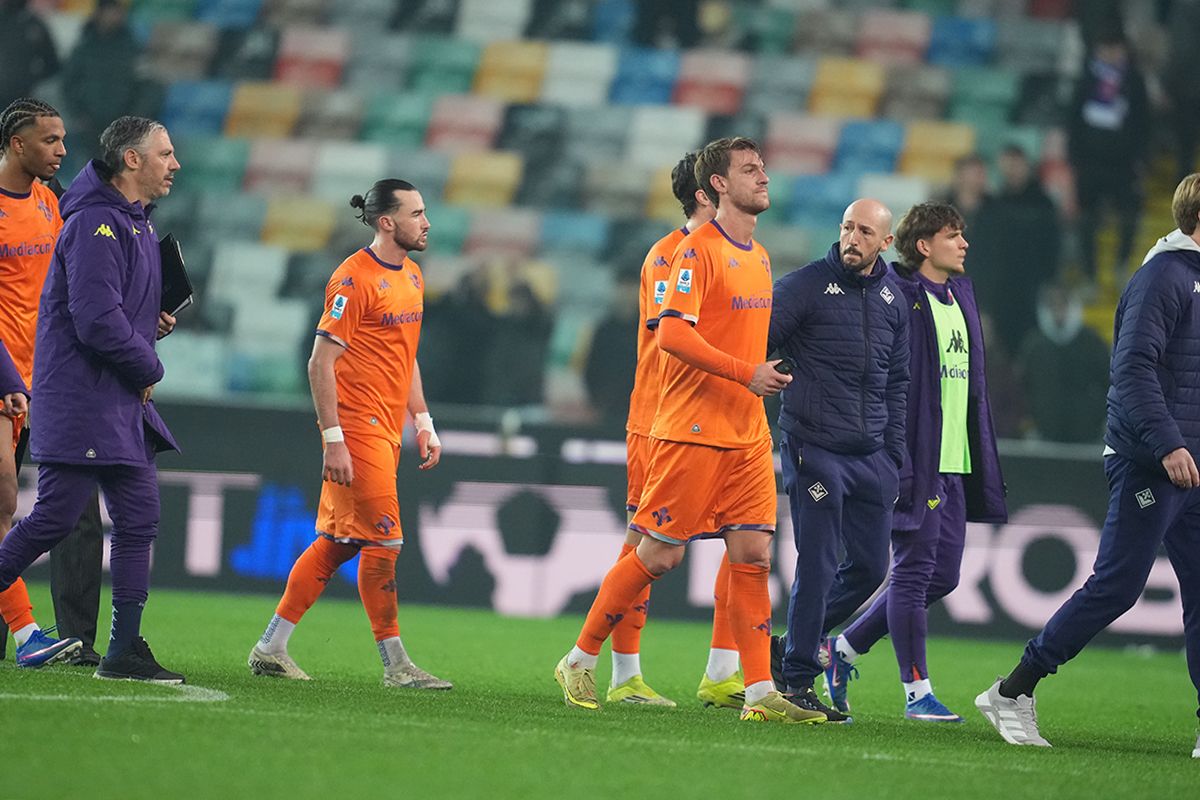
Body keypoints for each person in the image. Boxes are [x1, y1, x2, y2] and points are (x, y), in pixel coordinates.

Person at [554, 137, 822, 723]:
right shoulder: (692, 252)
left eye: (763, 168)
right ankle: (580, 659)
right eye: (749, 170)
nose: (764, 177)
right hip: (691, 426)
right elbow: (672, 334)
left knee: (753, 553)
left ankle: (759, 692)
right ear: (717, 186)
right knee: (658, 553)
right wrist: (746, 373)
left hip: (748, 431)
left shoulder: (760, 256)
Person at [976, 174, 1200, 759]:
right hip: (1152, 461)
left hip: (1192, 465)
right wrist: (1168, 444)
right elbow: (1132, 369)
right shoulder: (1164, 276)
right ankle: (1012, 691)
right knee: (1117, 586)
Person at [249, 178, 452, 691]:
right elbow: (320, 362)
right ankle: (396, 665)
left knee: (340, 542)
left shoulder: (413, 275)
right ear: (387, 222)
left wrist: (422, 421)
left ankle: (271, 647)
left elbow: (406, 356)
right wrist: (334, 438)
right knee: (385, 540)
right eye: (416, 213)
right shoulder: (352, 279)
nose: (426, 223)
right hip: (357, 427)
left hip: (388, 427)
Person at [0, 115, 183, 682]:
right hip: (83, 396)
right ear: (132, 159)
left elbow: (113, 311)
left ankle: (124, 647)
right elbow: (96, 320)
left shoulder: (135, 222)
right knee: (53, 518)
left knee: (139, 517)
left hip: (118, 399)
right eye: (165, 154)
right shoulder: (94, 222)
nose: (174, 164)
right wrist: (149, 363)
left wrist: (149, 322)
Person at [822, 202, 1007, 722]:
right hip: (915, 459)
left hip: (955, 460)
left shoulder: (960, 295)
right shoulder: (899, 297)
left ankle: (843, 649)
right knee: (913, 571)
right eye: (953, 235)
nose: (964, 243)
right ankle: (916, 692)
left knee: (943, 576)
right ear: (924, 246)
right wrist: (894, 454)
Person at [601, 151, 746, 709]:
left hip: (722, 423)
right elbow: (677, 339)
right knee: (647, 548)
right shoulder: (671, 256)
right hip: (662, 421)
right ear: (708, 193)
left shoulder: (732, 253)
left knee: (745, 540)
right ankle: (623, 674)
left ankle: (723, 672)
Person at [767, 198, 909, 723]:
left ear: (885, 242)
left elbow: (898, 382)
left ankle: (789, 647)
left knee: (871, 567)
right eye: (848, 227)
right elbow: (754, 342)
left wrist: (892, 456)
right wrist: (770, 373)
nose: (853, 238)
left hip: (871, 456)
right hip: (815, 446)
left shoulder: (894, 297)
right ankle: (799, 681)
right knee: (820, 562)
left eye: (865, 232)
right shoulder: (804, 286)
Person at [0, 97, 87, 668]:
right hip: (4, 379)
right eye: (50, 140)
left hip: (43, 382)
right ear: (17, 144)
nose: (60, 150)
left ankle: (28, 634)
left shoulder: (47, 200)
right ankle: (27, 632)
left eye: (61, 139)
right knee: (4, 499)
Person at [1068, 29, 1150, 282]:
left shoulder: (1134, 81)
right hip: (1090, 163)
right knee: (1087, 220)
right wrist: (1075, 157)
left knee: (1129, 215)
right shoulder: (1085, 79)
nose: (1110, 54)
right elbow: (1073, 119)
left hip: (1124, 165)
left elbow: (1144, 122)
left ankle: (1122, 265)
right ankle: (1089, 273)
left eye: (1115, 48)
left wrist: (1141, 158)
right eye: (1105, 48)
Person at [1018, 284, 1110, 443]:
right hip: (1046, 436)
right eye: (1052, 304)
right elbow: (1024, 387)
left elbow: (1109, 383)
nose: (1058, 310)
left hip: (1088, 435)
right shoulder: (1034, 346)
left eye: (1063, 304)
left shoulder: (1093, 342)